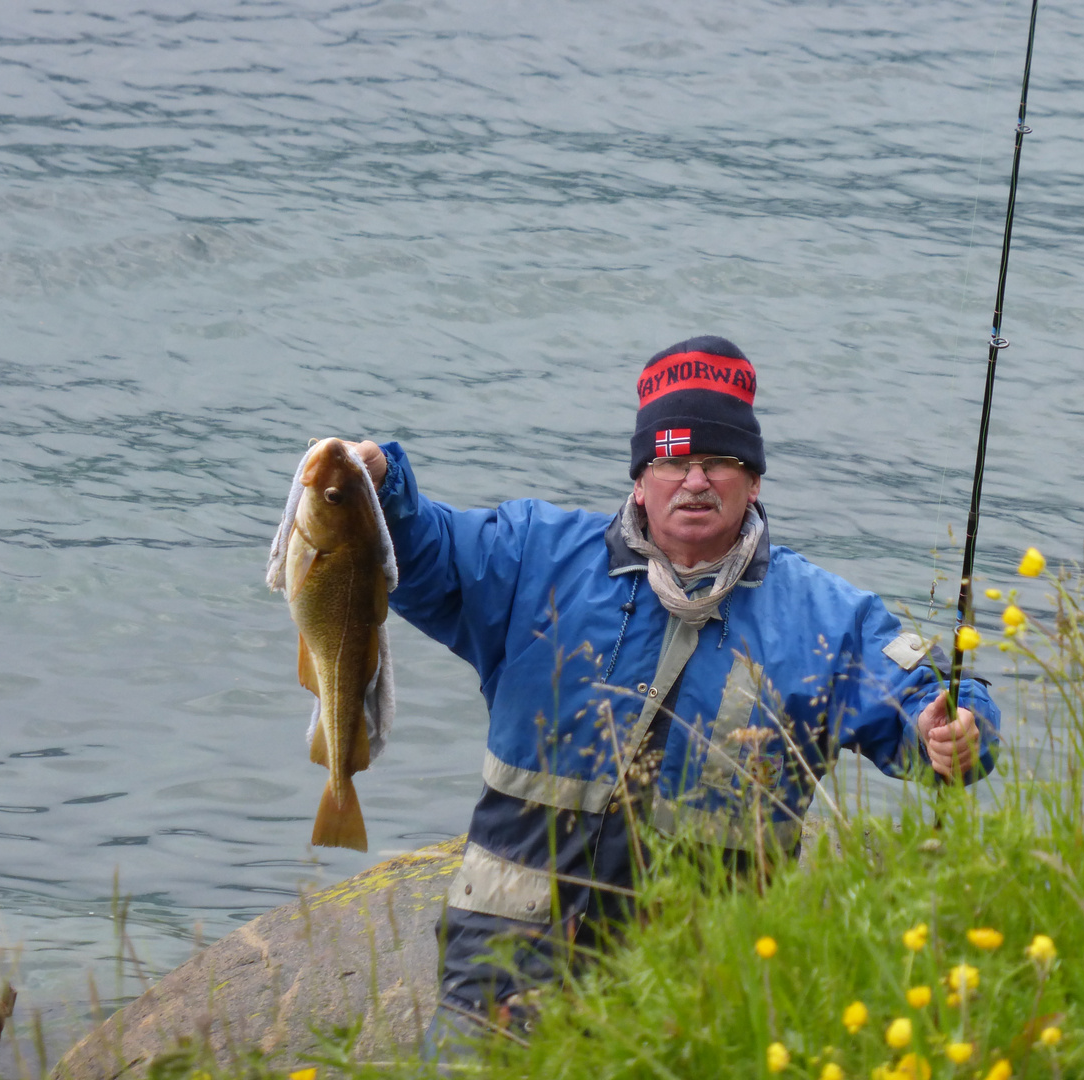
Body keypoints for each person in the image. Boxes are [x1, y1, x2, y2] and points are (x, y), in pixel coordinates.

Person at [348, 335, 1000, 1052]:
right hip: (500, 972)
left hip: (698, 987)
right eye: (672, 460)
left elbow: (933, 698)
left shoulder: (824, 617)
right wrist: (377, 485)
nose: (695, 481)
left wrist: (957, 731)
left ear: (754, 482)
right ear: (639, 479)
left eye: (719, 462)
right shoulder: (532, 557)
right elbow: (421, 550)